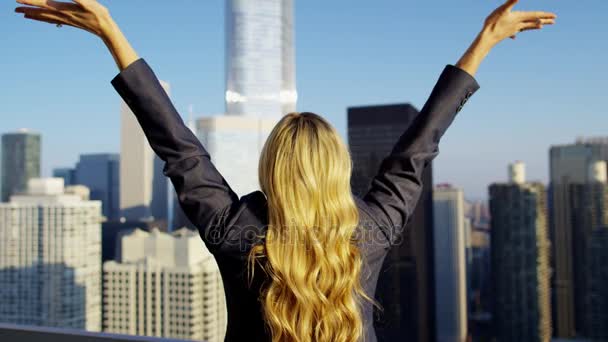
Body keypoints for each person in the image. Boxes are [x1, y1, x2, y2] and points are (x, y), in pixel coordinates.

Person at [15, 1, 556, 341]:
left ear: (272, 167)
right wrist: (484, 40)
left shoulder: (236, 233)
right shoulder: (373, 229)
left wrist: (111, 30)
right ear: (337, 167)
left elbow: (178, 147)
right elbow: (419, 148)